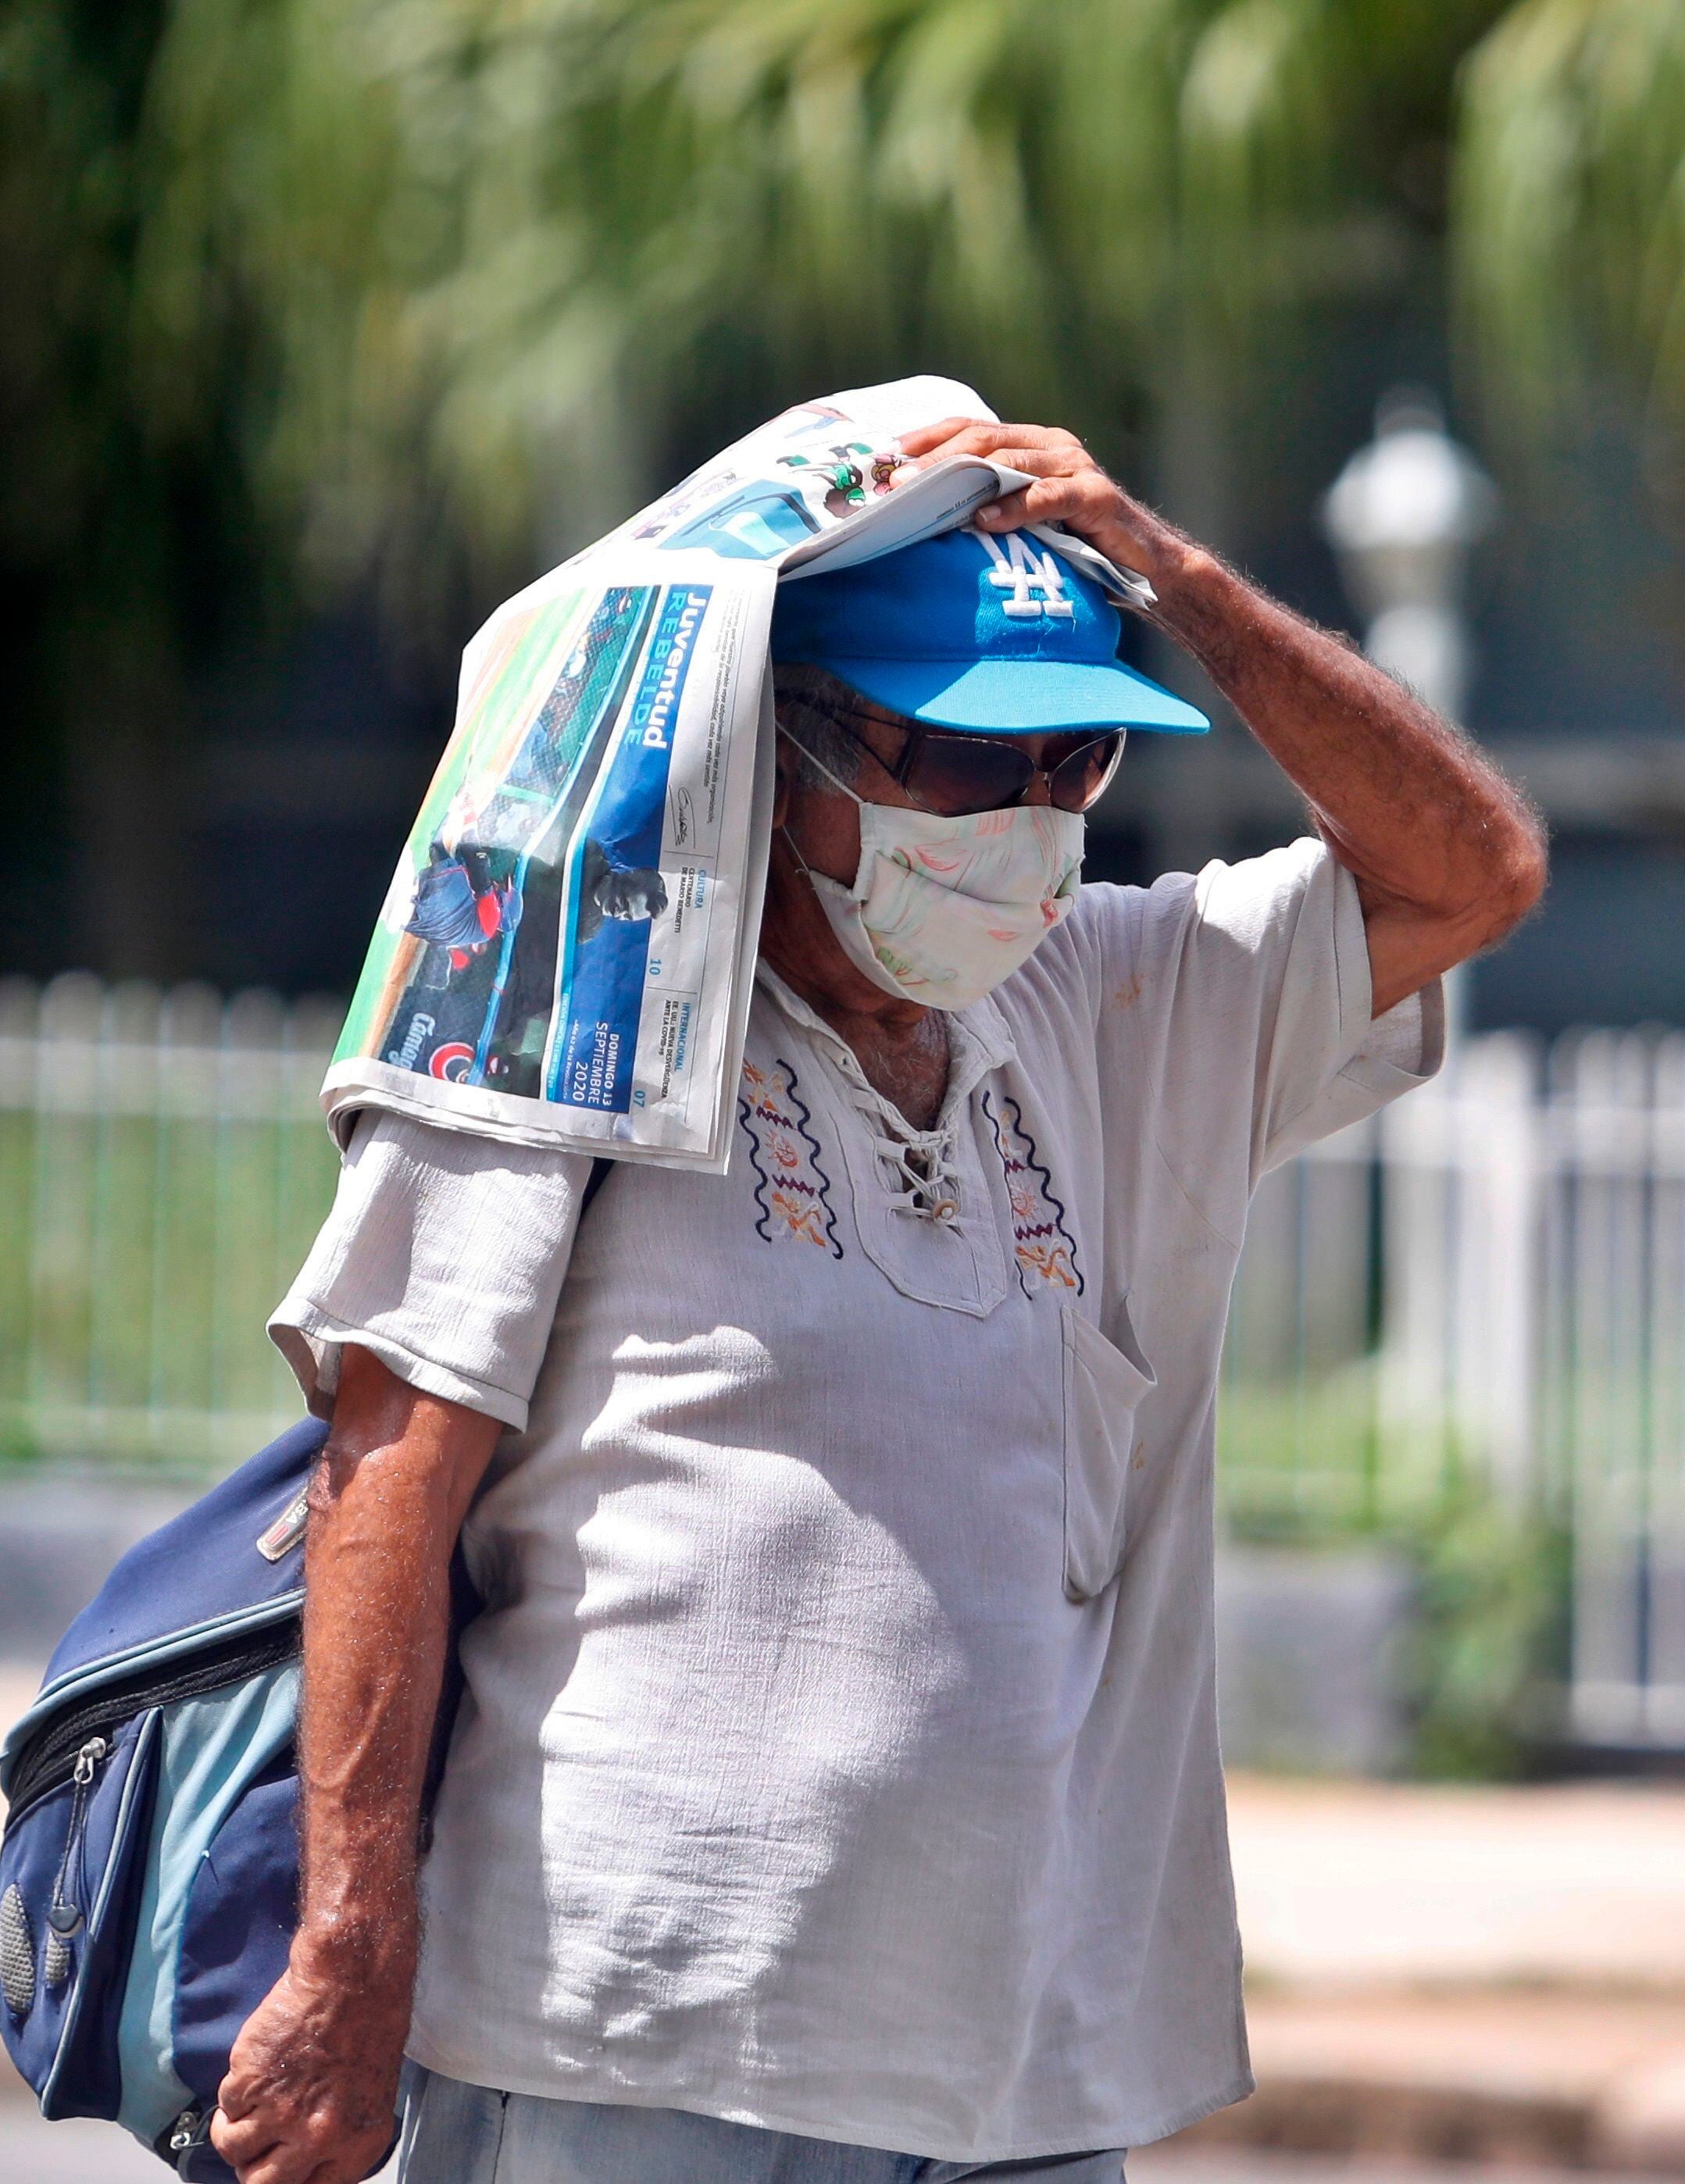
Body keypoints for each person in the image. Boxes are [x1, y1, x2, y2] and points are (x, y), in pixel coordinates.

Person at [212, 415, 1548, 2184]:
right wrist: (350, 1942)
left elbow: (1473, 870)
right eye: (952, 762)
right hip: (633, 2045)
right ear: (784, 754)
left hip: (1017, 2074)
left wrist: (1181, 578)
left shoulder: (1108, 1004)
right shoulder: (577, 1013)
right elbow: (390, 1463)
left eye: (1071, 766)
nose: (1022, 822)